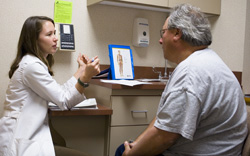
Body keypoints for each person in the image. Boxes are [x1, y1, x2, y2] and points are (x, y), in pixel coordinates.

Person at [116, 3, 248, 156]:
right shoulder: (210, 61)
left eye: (163, 32)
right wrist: (137, 144)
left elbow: (165, 137)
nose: (160, 40)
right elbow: (164, 121)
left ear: (177, 33)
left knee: (122, 151)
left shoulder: (190, 72)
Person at [0, 16, 100, 156]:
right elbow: (65, 101)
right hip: (21, 140)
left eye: (54, 33)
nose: (55, 38)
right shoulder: (31, 67)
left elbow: (59, 92)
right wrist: (85, 78)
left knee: (61, 142)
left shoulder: (34, 64)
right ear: (34, 40)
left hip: (33, 133)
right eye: (49, 34)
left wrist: (81, 70)